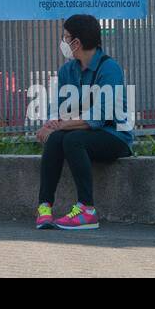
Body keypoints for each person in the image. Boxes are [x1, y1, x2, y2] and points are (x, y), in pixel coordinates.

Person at [34, 15, 133, 232]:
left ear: (76, 43)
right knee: (58, 138)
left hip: (115, 136)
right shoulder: (66, 71)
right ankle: (44, 207)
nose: (63, 42)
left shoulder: (109, 69)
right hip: (83, 134)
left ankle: (87, 209)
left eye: (65, 37)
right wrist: (52, 125)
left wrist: (57, 125)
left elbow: (99, 117)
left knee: (72, 139)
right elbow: (60, 111)